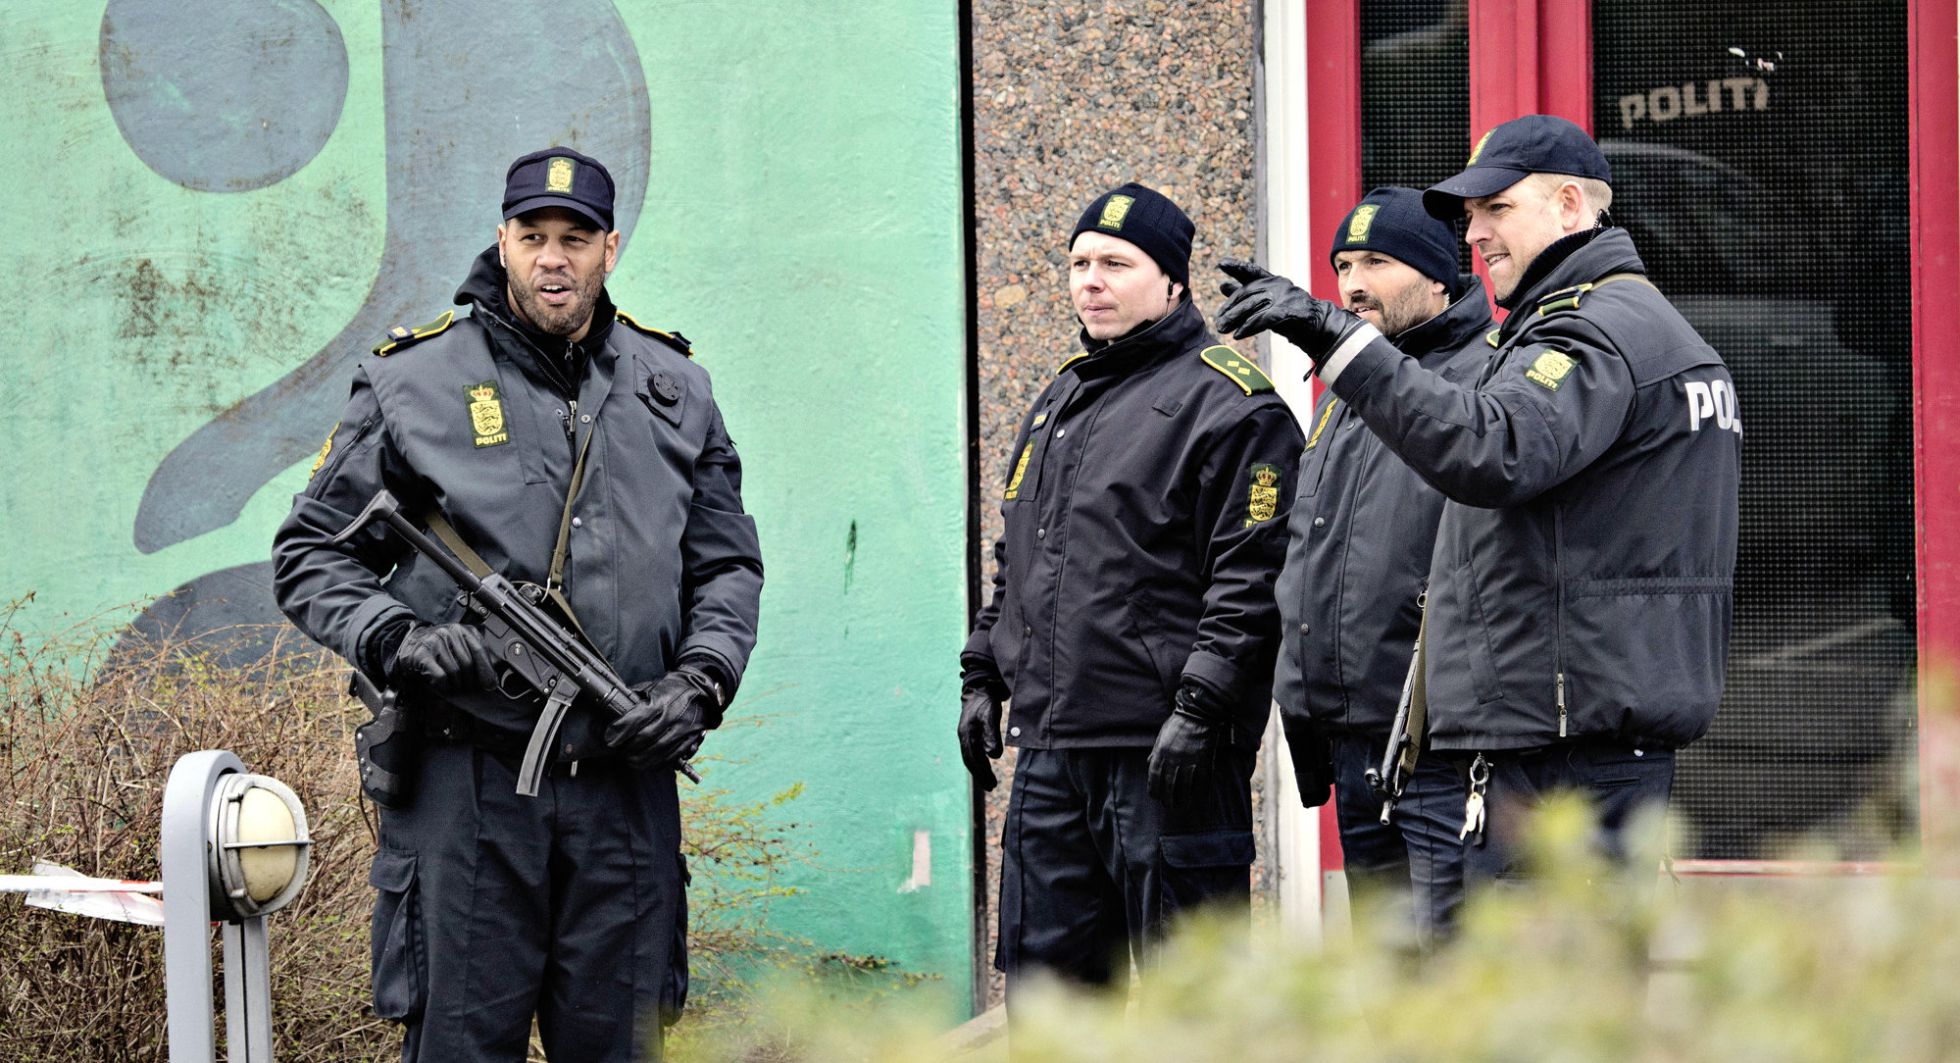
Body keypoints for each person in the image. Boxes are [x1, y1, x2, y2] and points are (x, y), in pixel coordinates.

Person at [272, 146, 763, 1061]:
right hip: (471, 787)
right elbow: (310, 554)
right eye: (533, 236)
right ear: (502, 240)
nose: (552, 259)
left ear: (610, 248)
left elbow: (727, 565)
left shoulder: (677, 390)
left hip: (625, 786)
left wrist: (698, 684)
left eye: (575, 238)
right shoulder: (413, 382)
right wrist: (399, 639)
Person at [1218, 115, 1740, 885]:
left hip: (1559, 754)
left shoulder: (1592, 333)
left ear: (1569, 205)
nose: (1475, 234)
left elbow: (1493, 451)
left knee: (1519, 961)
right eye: (1470, 215)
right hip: (1557, 738)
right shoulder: (1605, 326)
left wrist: (1336, 338)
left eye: (1498, 208)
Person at [957, 182, 1304, 1000]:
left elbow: (1254, 577)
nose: (1091, 280)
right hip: (1052, 750)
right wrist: (982, 674)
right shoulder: (1059, 399)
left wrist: (1201, 707)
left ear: (1173, 280)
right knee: (1052, 1001)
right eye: (1079, 262)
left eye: (1117, 263)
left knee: (1195, 1002)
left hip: (1169, 755)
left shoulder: (1232, 405)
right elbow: (1021, 556)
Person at [1272, 187, 1488, 945]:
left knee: (1447, 976)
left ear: (1439, 277)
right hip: (1356, 745)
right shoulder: (1340, 395)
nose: (1353, 284)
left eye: (1376, 262)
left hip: (1445, 750)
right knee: (1385, 977)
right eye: (1342, 265)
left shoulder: (1484, 379)